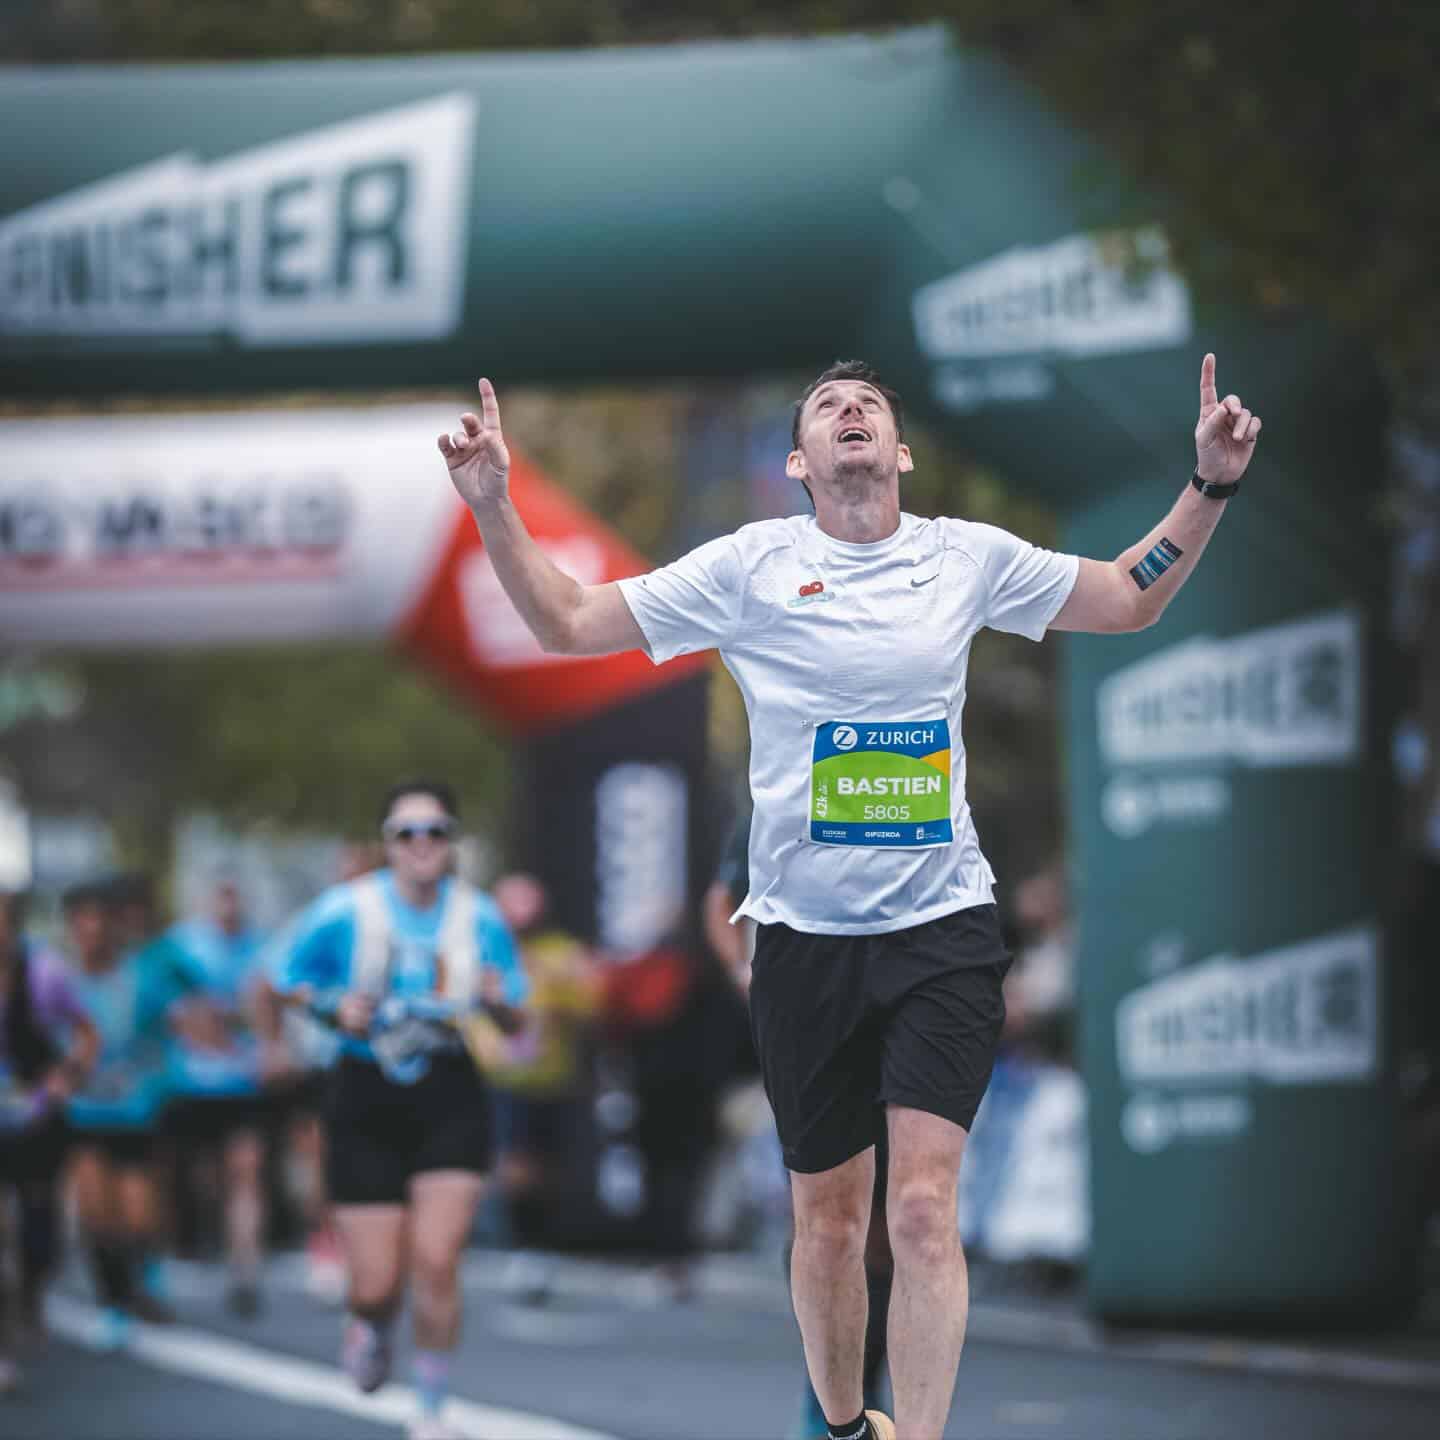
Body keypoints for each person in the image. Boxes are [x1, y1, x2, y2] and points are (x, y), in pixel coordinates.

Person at [437, 353, 1262, 1440]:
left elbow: (1123, 597)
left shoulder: (964, 557)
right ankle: (841, 1427)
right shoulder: (749, 567)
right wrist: (495, 505)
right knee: (828, 1225)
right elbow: (568, 623)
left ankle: (916, 1436)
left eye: (870, 403)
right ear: (798, 461)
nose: (852, 411)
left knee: (922, 1209)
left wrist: (1206, 487)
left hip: (942, 930)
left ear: (901, 451)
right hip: (803, 941)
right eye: (828, 406)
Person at [267, 781, 527, 1440]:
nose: (421, 846)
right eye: (406, 834)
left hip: (449, 1089)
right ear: (386, 844)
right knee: (377, 1282)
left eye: (435, 832)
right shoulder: (345, 910)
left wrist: (498, 1002)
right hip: (364, 1090)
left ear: (451, 842)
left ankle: (432, 1405)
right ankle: (369, 1320)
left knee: (437, 1259)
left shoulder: (479, 915)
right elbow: (281, 978)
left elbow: (517, 1013)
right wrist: (329, 1008)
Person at [707, 808, 892, 1439]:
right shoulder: (775, 789)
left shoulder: (904, 771)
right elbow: (722, 901)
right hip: (807, 1018)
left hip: (894, 1014)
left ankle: (866, 1384)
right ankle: (831, 1396)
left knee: (890, 1230)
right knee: (826, 1222)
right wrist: (745, 973)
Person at [63, 879, 189, 1345]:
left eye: (100, 922)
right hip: (82, 1116)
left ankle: (146, 1272)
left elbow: (176, 1026)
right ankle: (114, 1302)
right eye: (82, 923)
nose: (92, 932)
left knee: (138, 1215)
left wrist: (162, 1078)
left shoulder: (141, 976)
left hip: (136, 1112)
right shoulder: (61, 981)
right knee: (97, 1213)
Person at [0, 888, 98, 1395]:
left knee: (38, 1231)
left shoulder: (44, 974)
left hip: (35, 1120)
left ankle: (35, 1291)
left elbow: (86, 1034)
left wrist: (66, 1077)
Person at [487, 872, 599, 1301]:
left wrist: (558, 998)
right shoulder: (486, 954)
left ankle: (541, 1248)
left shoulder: (562, 954)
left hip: (554, 1078)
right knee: (516, 1169)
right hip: (506, 1078)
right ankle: (523, 1246)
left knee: (549, 1170)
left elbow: (590, 1003)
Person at [164, 875, 271, 1317]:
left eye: (235, 895)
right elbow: (172, 1013)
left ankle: (245, 1268)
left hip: (242, 1084)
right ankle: (195, 1242)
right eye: (221, 895)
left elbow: (267, 1011)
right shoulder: (183, 945)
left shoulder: (259, 947)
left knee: (246, 1172)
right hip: (190, 1084)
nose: (229, 904)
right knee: (201, 1176)